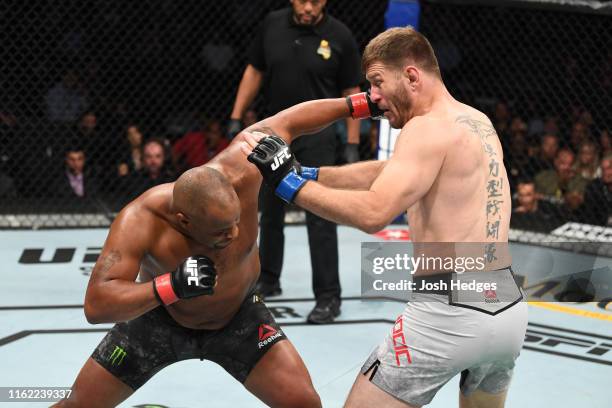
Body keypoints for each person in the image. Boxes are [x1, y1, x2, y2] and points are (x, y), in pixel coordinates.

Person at [243, 27, 528, 408]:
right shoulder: (475, 121)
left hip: (448, 312)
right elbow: (389, 172)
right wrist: (308, 173)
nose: (372, 97)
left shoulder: (423, 129)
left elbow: (374, 212)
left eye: (377, 82)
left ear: (411, 75)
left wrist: (287, 183)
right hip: (506, 308)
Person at [54, 115, 344, 407]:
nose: (234, 234)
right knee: (76, 405)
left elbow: (290, 120)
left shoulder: (246, 165)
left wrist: (360, 104)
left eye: (235, 223)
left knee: (306, 404)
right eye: (220, 231)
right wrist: (171, 286)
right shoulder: (140, 218)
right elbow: (96, 305)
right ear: (185, 222)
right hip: (161, 318)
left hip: (239, 315)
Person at [229, 0, 363, 323]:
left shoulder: (340, 36)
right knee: (270, 210)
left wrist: (353, 142)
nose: (308, 7)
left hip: (320, 138)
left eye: (315, 1)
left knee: (320, 215)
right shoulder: (272, 24)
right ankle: (268, 279)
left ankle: (329, 296)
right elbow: (254, 70)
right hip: (277, 132)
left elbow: (351, 90)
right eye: (303, 0)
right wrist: (235, 117)